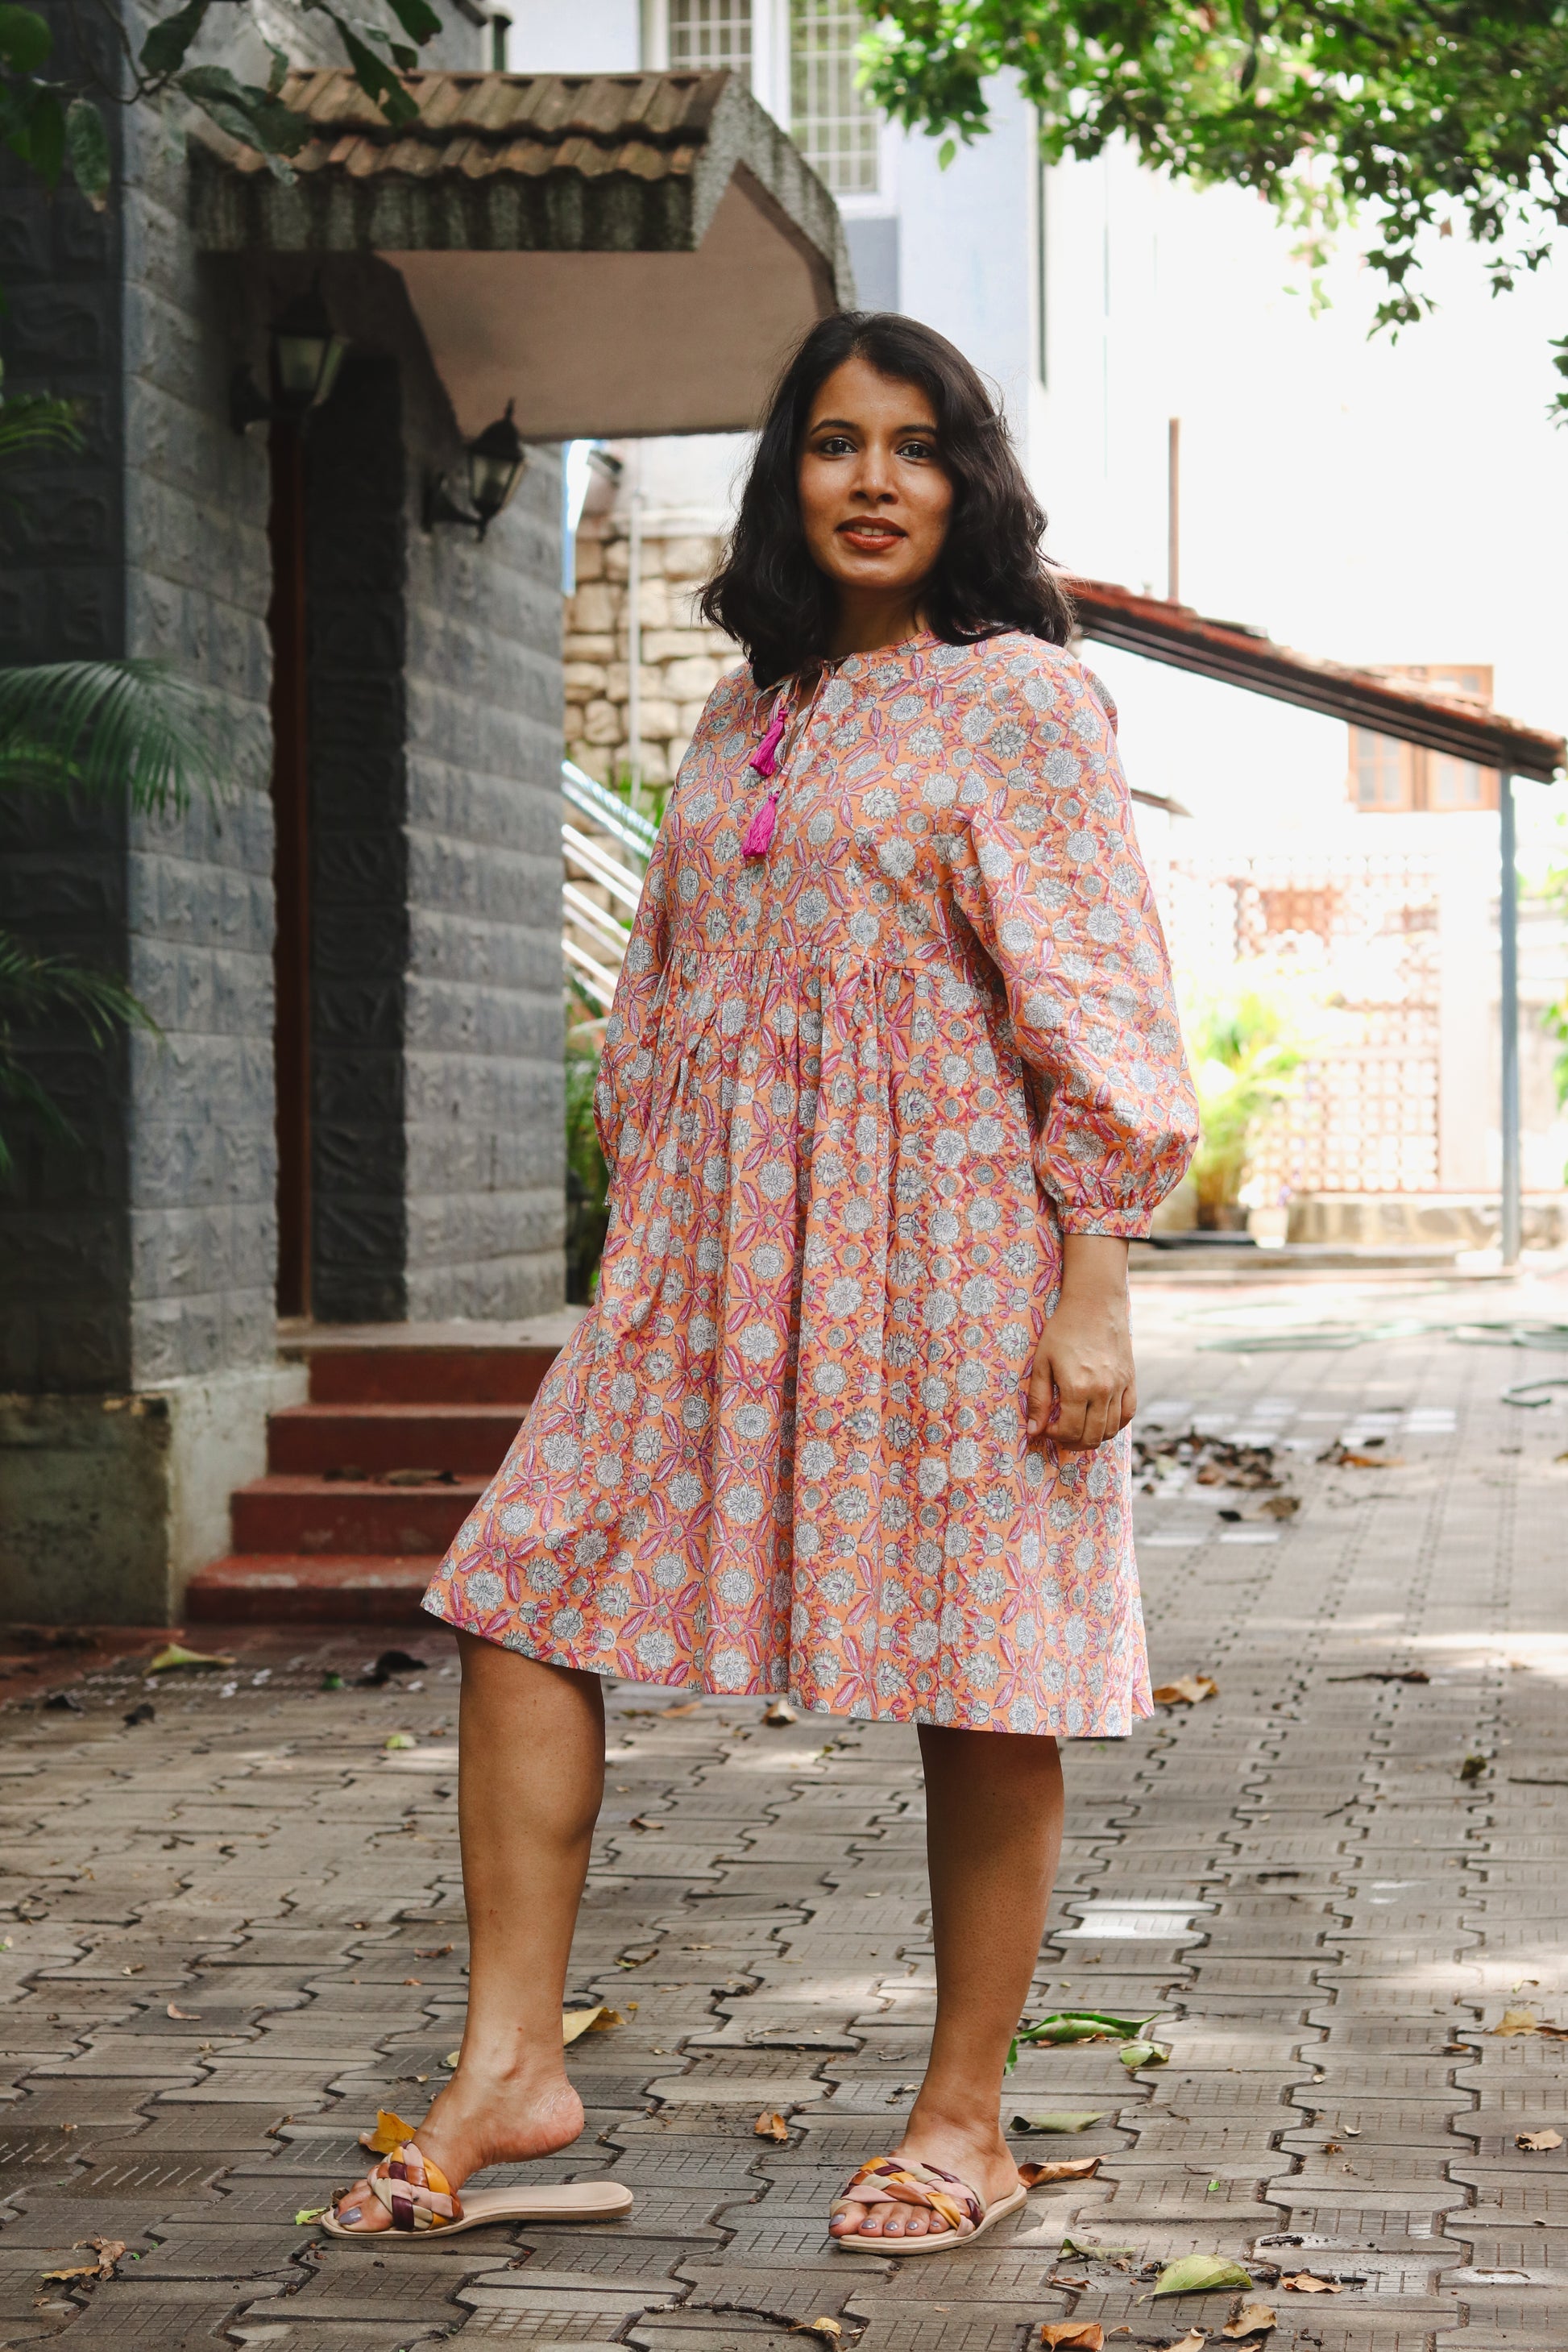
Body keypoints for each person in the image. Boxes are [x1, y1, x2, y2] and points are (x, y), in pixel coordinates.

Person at [329, 312, 1197, 2250]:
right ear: (785, 479)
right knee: (521, 1580)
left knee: (982, 1670)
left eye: (912, 443)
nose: (872, 478)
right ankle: (512, 2066)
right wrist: (655, 1210)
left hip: (952, 1249)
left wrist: (1092, 1281)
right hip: (711, 1260)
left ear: (965, 476)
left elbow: (1103, 1010)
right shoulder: (747, 707)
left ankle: (964, 2118)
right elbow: (657, 991)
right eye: (832, 442)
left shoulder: (1022, 699)